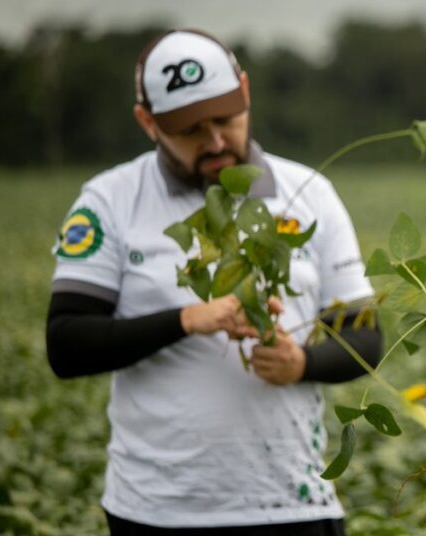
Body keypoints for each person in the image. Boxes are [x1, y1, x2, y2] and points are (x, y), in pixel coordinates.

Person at [45, 29, 381, 535]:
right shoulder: (108, 200)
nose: (216, 142)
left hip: (295, 505)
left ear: (245, 91)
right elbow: (66, 343)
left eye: (225, 119)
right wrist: (187, 319)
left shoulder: (311, 193)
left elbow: (365, 337)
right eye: (190, 130)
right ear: (148, 122)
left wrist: (301, 363)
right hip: (154, 512)